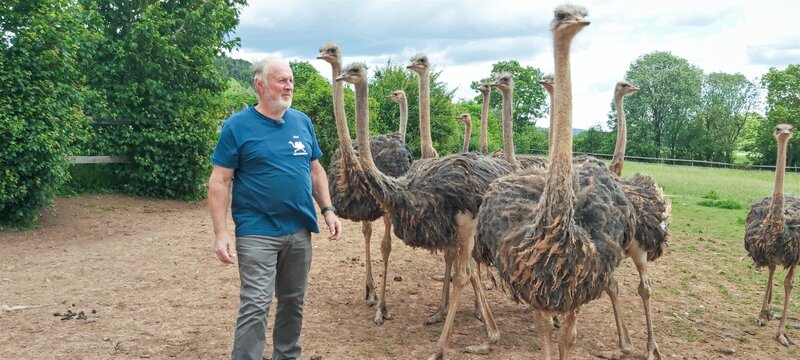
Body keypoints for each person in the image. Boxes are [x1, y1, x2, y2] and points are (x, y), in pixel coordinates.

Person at [208, 57, 342, 360]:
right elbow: (219, 180)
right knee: (256, 302)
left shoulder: (301, 121)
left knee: (293, 301)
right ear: (260, 85)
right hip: (257, 231)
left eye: (290, 79)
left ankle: (287, 356)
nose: (289, 85)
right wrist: (221, 233)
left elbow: (316, 170)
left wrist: (328, 209)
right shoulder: (238, 126)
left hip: (298, 230)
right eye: (281, 80)